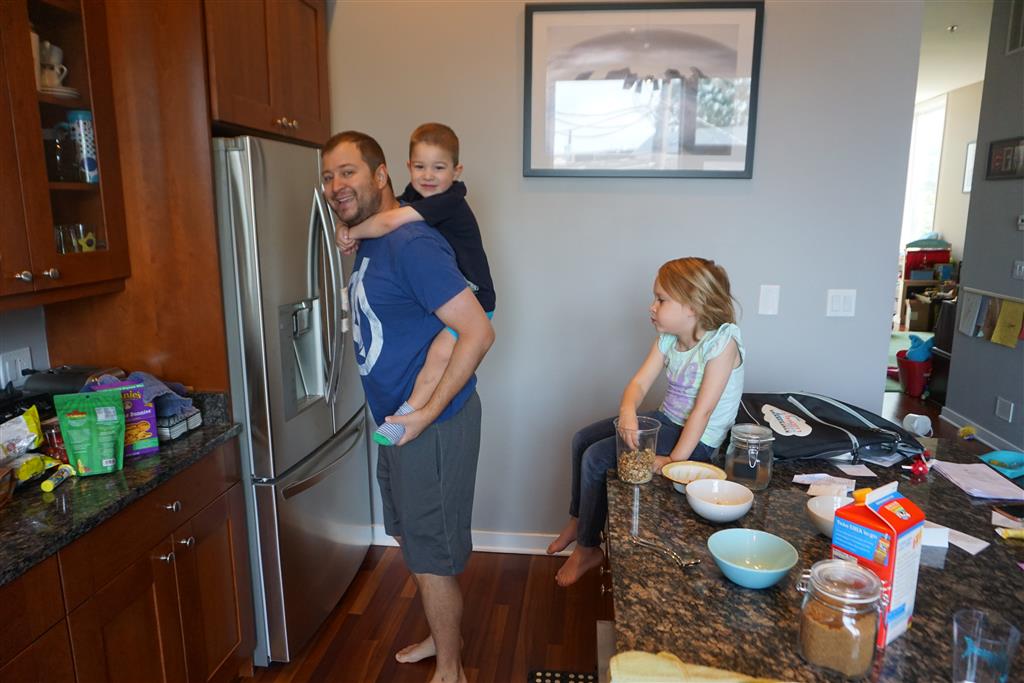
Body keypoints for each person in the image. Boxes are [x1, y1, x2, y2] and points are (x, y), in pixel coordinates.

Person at [322, 130, 494, 683]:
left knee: (430, 553)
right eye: (328, 176)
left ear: (380, 175)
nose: (336, 184)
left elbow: (478, 332)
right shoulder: (376, 239)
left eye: (348, 171)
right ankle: (443, 637)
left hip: (432, 426)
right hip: (397, 422)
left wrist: (423, 412)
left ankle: (451, 668)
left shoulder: (412, 244)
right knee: (408, 534)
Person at [547, 257, 745, 588]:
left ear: (692, 306)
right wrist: (627, 410)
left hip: (698, 440)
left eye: (661, 299)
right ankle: (578, 520)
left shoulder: (721, 343)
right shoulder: (668, 339)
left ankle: (587, 547)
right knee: (582, 439)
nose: (652, 307)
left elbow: (703, 412)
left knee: (596, 458)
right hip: (667, 420)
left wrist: (674, 461)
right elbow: (639, 384)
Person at [335, 123, 495, 448]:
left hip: (479, 297)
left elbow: (389, 219)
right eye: (420, 166)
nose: (428, 176)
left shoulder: (449, 200)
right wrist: (343, 224)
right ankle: (407, 413)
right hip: (460, 291)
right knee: (437, 354)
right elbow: (390, 209)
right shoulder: (415, 196)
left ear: (456, 171)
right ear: (408, 166)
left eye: (439, 168)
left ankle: (411, 412)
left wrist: (349, 232)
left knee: (439, 354)